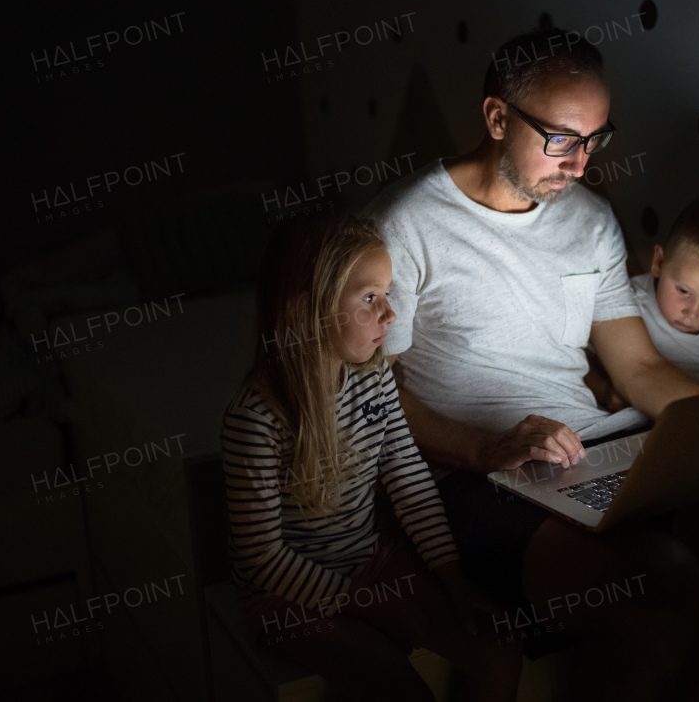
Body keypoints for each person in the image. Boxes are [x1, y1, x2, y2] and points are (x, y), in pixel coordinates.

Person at [368, 28, 699, 700]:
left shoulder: (590, 221)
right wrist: (486, 445)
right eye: (562, 138)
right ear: (497, 116)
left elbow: (639, 370)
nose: (580, 165)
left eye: (594, 140)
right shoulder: (405, 225)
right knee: (655, 586)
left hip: (592, 452)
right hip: (476, 478)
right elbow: (374, 401)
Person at [220, 211, 520, 702]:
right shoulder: (256, 419)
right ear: (307, 311)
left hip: (366, 562)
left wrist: (450, 574)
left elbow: (408, 478)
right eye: (369, 298)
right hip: (285, 597)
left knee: (497, 639)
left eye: (386, 293)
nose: (390, 313)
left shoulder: (373, 378)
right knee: (390, 676)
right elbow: (262, 559)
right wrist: (365, 604)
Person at [584, 193, 699, 412]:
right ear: (659, 262)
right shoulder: (627, 300)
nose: (692, 313)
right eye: (683, 291)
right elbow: (579, 359)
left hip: (690, 416)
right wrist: (605, 391)